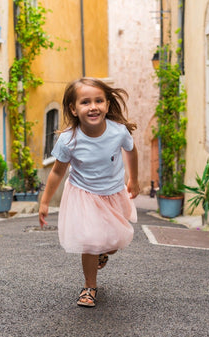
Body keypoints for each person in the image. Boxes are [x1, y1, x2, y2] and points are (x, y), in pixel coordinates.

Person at [39, 77, 140, 307]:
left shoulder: (118, 131)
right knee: (90, 242)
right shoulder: (69, 140)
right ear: (74, 109)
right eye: (85, 102)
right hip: (83, 194)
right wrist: (45, 202)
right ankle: (89, 286)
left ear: (106, 104)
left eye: (98, 101)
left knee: (112, 244)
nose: (93, 106)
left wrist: (133, 179)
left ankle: (104, 252)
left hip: (113, 193)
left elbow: (131, 151)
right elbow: (56, 172)